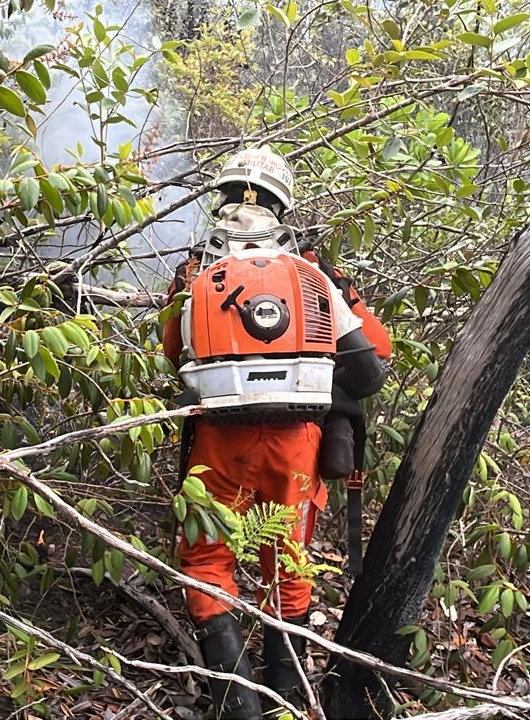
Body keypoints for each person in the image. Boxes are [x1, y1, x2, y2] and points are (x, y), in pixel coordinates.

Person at [161, 147, 392, 718]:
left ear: (222, 197)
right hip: (298, 444)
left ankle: (235, 706)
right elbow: (373, 358)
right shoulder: (312, 270)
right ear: (282, 205)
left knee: (208, 560)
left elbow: (175, 353)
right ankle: (286, 700)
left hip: (218, 440)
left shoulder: (195, 271)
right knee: (287, 563)